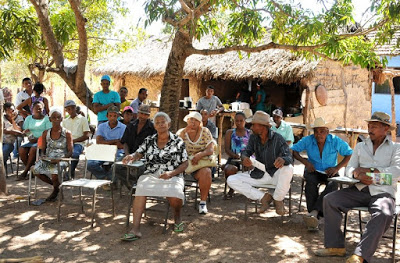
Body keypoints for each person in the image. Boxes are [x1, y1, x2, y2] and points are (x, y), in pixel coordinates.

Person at [314, 112, 400, 263]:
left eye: (374, 126)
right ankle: (335, 247)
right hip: (359, 190)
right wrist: (356, 175)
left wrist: (372, 175)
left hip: (382, 193)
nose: (370, 129)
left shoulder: (395, 148)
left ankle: (361, 255)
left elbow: (396, 172)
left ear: (386, 128)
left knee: (384, 212)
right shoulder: (360, 146)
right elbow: (349, 169)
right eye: (369, 126)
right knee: (330, 199)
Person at [121, 112, 188, 240]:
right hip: (151, 174)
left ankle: (177, 218)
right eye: (157, 122)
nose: (161, 124)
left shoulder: (177, 141)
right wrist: (131, 156)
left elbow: (185, 163)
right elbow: (138, 154)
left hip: (172, 174)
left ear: (169, 124)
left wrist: (171, 174)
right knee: (140, 188)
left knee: (175, 193)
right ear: (154, 126)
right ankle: (135, 230)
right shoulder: (149, 140)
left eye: (163, 122)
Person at [227, 111, 293, 215]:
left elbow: (289, 156)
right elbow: (246, 151)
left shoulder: (278, 138)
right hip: (260, 174)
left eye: (254, 125)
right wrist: (245, 158)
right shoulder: (253, 138)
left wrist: (283, 159)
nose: (251, 127)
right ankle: (263, 197)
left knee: (289, 168)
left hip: (276, 176)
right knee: (231, 180)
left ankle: (278, 199)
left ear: (263, 127)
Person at [292, 117, 353, 230]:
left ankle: (314, 213)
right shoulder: (308, 140)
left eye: (322, 131)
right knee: (310, 182)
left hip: (330, 171)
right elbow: (294, 150)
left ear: (327, 132)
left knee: (333, 185)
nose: (319, 134)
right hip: (313, 170)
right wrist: (306, 163)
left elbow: (349, 153)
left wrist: (336, 168)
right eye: (316, 131)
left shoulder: (335, 140)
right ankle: (314, 215)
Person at [177, 111, 216, 214]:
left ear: (200, 123)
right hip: (184, 163)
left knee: (206, 172)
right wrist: (183, 133)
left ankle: (202, 203)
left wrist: (199, 155)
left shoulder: (205, 131)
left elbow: (210, 150)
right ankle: (179, 195)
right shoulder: (182, 132)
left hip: (199, 164)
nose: (192, 123)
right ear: (187, 121)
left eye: (195, 121)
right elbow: (174, 148)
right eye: (191, 120)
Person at [32, 109, 73, 201]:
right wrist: (43, 156)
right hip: (49, 158)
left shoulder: (67, 133)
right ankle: (56, 186)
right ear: (50, 119)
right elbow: (43, 149)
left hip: (62, 159)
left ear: (62, 119)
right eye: (54, 118)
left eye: (58, 117)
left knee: (55, 172)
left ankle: (55, 190)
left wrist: (61, 159)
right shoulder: (46, 133)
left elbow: (70, 151)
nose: (56, 120)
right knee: (35, 170)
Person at [87, 106, 126, 181]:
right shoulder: (101, 126)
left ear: (118, 116)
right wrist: (115, 141)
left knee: (117, 165)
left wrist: (105, 141)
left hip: (117, 152)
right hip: (103, 151)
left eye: (115, 116)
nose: (112, 118)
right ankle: (106, 178)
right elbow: (99, 142)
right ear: (107, 116)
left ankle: (109, 181)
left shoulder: (123, 127)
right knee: (90, 164)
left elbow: (121, 145)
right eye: (110, 116)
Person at [17, 101, 52, 180]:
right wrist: (28, 135)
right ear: (32, 109)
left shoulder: (46, 119)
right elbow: (25, 130)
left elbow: (49, 132)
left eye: (40, 109)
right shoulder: (29, 118)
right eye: (36, 108)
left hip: (42, 141)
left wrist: (38, 139)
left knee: (33, 149)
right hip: (31, 140)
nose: (38, 110)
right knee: (21, 150)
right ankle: (31, 171)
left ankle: (25, 172)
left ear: (43, 109)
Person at [223, 112, 251, 199]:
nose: (239, 123)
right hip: (234, 158)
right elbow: (227, 149)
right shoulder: (230, 133)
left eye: (241, 121)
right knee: (229, 169)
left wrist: (247, 157)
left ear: (245, 121)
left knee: (252, 169)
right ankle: (231, 189)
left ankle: (250, 190)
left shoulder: (250, 133)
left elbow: (254, 149)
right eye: (237, 121)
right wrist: (235, 155)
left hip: (248, 158)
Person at [62, 100, 90, 179]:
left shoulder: (83, 119)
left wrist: (73, 141)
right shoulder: (65, 121)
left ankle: (70, 172)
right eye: (68, 109)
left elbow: (86, 135)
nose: (70, 111)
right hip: (67, 143)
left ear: (75, 108)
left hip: (78, 143)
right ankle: (64, 172)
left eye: (71, 108)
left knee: (75, 154)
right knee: (60, 153)